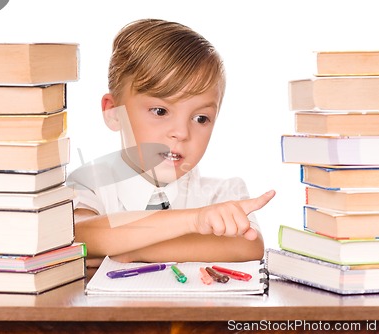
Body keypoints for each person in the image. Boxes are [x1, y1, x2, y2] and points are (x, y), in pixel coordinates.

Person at [68, 18, 275, 265]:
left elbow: (249, 245)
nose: (182, 133)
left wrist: (136, 252)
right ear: (113, 112)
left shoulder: (222, 193)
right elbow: (81, 235)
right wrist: (194, 221)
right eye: (160, 111)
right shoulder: (88, 185)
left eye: (200, 118)